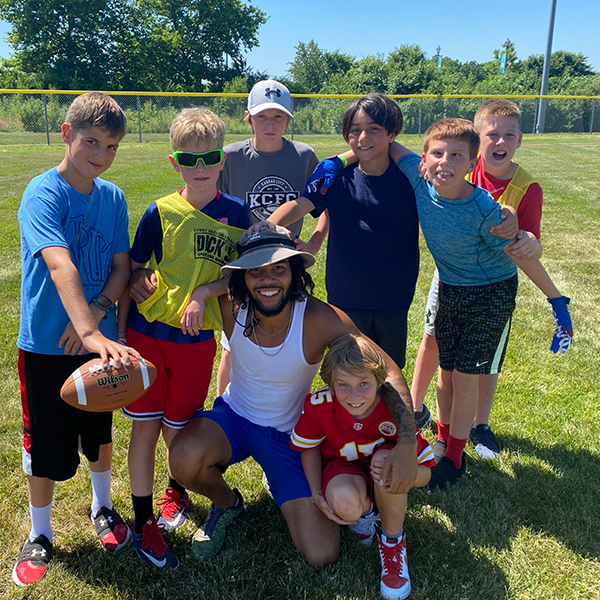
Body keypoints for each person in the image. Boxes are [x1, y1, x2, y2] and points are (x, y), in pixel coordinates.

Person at [168, 226, 419, 567]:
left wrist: (406, 445)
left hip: (290, 436)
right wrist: (194, 290)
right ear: (242, 277)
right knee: (183, 458)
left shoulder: (317, 318)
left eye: (279, 269)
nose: (267, 279)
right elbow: (168, 280)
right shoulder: (230, 307)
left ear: (295, 272)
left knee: (321, 553)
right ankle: (227, 503)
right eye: (256, 270)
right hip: (234, 418)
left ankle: (282, 481)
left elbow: (387, 370)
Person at [390, 118, 572, 489]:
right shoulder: (420, 177)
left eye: (456, 155)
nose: (445, 162)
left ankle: (455, 460)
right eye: (437, 154)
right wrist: (339, 159)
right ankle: (443, 440)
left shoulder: (485, 209)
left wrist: (556, 300)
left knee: (466, 378)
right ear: (424, 158)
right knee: (446, 372)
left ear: (473, 164)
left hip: (490, 294)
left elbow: (521, 255)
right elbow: (391, 146)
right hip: (452, 289)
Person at [13, 92, 140, 586]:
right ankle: (40, 533)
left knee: (99, 430)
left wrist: (98, 315)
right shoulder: (42, 194)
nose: (100, 155)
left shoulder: (112, 197)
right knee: (43, 441)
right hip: (48, 342)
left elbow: (119, 266)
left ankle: (103, 507)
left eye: (110, 147)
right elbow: (59, 260)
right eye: (91, 141)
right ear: (67, 134)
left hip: (98, 343)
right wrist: (83, 327)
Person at [117, 107, 251, 568]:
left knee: (180, 429)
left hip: (196, 341)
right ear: (174, 161)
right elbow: (134, 271)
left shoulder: (238, 216)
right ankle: (142, 520)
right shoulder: (159, 211)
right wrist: (138, 283)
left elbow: (244, 276)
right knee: (145, 428)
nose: (199, 168)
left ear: (222, 161)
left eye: (208, 157)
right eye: (187, 159)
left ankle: (177, 491)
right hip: (148, 334)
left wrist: (207, 290)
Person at [410, 100, 546, 459]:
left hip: (489, 286)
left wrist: (529, 238)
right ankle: (414, 409)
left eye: (509, 135)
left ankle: (478, 425)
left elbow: (528, 242)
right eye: (493, 134)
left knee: (480, 363)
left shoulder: (524, 186)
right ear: (480, 140)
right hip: (449, 275)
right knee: (433, 342)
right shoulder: (456, 166)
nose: (500, 141)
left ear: (519, 141)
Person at [246, 93, 419, 372]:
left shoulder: (409, 180)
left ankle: (388, 417)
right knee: (347, 368)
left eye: (374, 129)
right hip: (346, 293)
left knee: (389, 369)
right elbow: (302, 204)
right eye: (355, 130)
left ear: (392, 133)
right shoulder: (336, 177)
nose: (363, 137)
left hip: (394, 295)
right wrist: (271, 222)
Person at [290, 334, 435, 599]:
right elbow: (308, 446)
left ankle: (393, 541)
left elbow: (426, 472)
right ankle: (366, 514)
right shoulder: (319, 404)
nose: (354, 395)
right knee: (345, 501)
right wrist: (316, 491)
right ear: (330, 384)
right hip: (344, 472)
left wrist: (402, 476)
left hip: (384, 480)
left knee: (384, 462)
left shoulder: (395, 410)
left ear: (381, 382)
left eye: (364, 383)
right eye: (343, 385)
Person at [215, 79, 319, 395]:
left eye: (278, 117)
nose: (270, 124)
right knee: (233, 345)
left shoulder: (303, 156)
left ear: (289, 119)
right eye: (262, 117)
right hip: (244, 262)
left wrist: (314, 242)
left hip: (287, 261)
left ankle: (282, 403)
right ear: (248, 117)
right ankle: (224, 408)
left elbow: (325, 206)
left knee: (288, 336)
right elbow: (214, 205)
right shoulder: (231, 157)